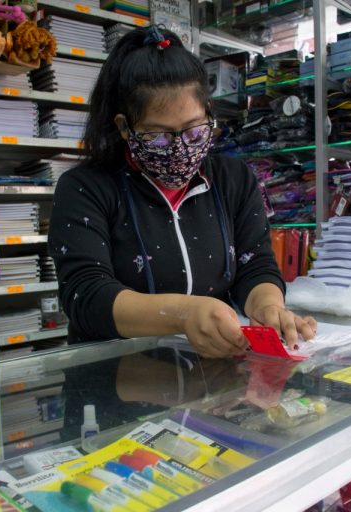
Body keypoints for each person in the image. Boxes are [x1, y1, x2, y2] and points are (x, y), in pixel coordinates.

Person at [48, 25, 316, 358]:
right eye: (158, 137)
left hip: (210, 378)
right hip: (116, 382)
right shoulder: (86, 188)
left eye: (194, 132)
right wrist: (183, 314)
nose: (179, 150)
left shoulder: (233, 179)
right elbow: (86, 296)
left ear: (210, 116)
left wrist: (269, 307)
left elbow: (254, 265)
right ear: (123, 127)